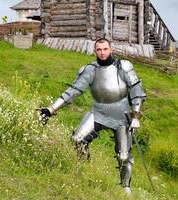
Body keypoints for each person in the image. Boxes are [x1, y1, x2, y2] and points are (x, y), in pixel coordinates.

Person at [38, 38, 146, 194]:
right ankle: (83, 168)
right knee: (77, 139)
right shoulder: (90, 69)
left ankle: (125, 187)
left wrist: (135, 116)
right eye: (99, 50)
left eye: (105, 49)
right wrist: (51, 108)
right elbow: (74, 90)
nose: (102, 53)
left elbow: (136, 90)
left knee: (123, 157)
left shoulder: (123, 67)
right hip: (98, 112)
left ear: (111, 49)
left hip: (121, 116)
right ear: (95, 51)